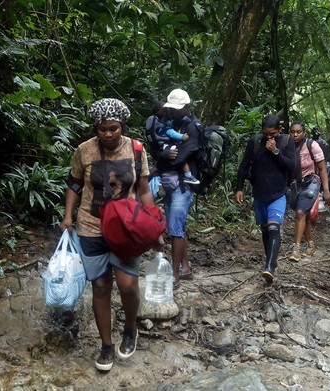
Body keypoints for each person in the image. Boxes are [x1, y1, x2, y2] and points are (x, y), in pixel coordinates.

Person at [60, 98, 161, 371]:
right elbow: (74, 184)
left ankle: (130, 329)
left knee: (128, 285)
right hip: (91, 227)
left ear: (122, 126)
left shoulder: (136, 150)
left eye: (113, 128)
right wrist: (68, 216)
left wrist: (153, 225)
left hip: (127, 229)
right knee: (101, 286)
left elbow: (143, 190)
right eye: (102, 129)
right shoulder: (84, 151)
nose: (107, 134)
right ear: (96, 128)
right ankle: (106, 345)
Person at [149, 88, 200, 288]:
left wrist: (163, 158)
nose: (174, 112)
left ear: (187, 107)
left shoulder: (193, 127)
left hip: (183, 185)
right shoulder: (173, 124)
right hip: (170, 181)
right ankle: (185, 269)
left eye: (178, 109)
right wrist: (163, 157)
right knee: (175, 227)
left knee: (176, 229)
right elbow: (158, 149)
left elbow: (180, 156)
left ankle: (175, 275)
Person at [235, 115, 295, 283]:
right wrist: (239, 188)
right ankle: (270, 260)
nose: (269, 137)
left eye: (273, 134)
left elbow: (291, 165)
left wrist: (275, 151)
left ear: (279, 130)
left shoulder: (286, 142)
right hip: (259, 194)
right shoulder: (254, 142)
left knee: (274, 228)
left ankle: (270, 267)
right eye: (266, 134)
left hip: (278, 193)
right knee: (264, 230)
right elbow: (244, 166)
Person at [287, 121, 330, 262]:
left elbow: (323, 168)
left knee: (300, 213)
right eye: (292, 132)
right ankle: (311, 245)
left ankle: (296, 248)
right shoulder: (286, 145)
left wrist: (326, 191)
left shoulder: (312, 145)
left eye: (298, 132)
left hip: (311, 181)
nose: (295, 135)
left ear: (304, 132)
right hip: (295, 183)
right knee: (303, 214)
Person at [145, 101, 199, 185]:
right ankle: (187, 175)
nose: (171, 110)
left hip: (182, 182)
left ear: (187, 107)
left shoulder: (193, 126)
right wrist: (163, 154)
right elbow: (154, 149)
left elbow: (182, 155)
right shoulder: (165, 124)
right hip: (168, 175)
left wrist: (160, 163)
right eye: (170, 109)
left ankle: (188, 175)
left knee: (181, 159)